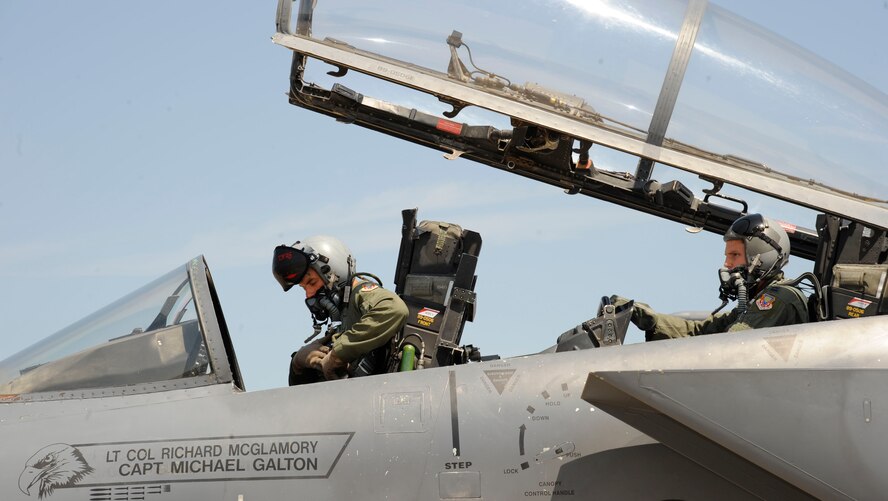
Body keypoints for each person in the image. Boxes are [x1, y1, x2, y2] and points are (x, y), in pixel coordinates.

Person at [614, 213, 809, 340]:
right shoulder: (752, 304)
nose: (727, 264)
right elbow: (700, 332)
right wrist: (652, 320)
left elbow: (728, 346)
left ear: (761, 258)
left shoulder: (779, 298)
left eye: (734, 255)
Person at [272, 235, 408, 384]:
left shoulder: (361, 292)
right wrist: (298, 363)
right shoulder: (343, 313)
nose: (309, 294)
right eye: (304, 288)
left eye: (311, 282)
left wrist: (338, 353)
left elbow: (394, 309)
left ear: (334, 273)